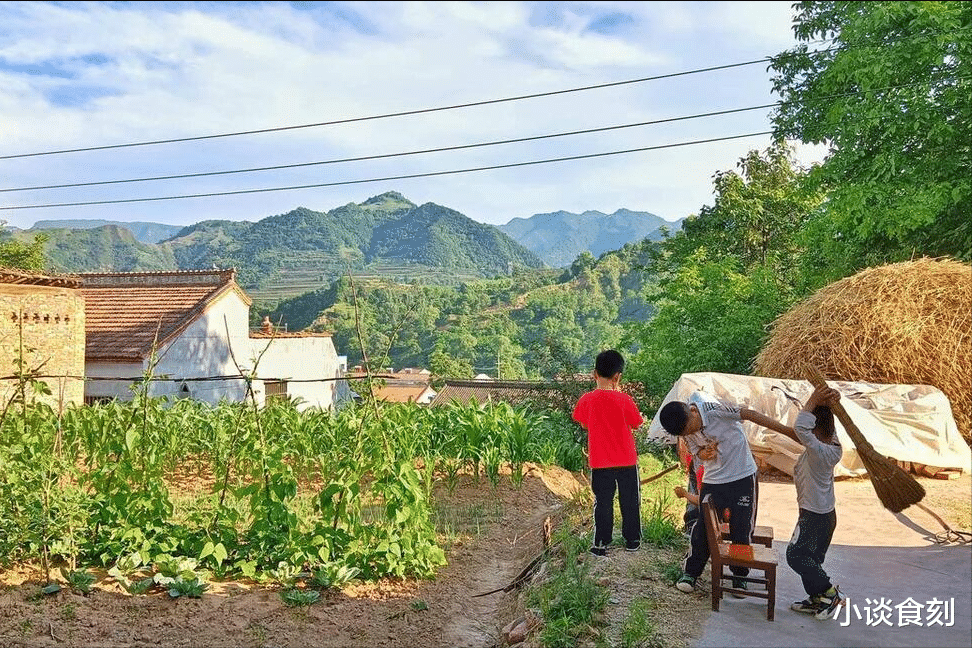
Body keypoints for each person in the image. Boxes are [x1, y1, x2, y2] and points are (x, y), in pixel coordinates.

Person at [659, 390, 793, 594]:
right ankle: (691, 573)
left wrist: (786, 431)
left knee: (742, 527)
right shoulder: (684, 429)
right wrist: (706, 453)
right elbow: (698, 453)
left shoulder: (715, 409)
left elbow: (749, 414)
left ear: (693, 412)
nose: (689, 435)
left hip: (742, 476)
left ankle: (739, 575)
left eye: (690, 429)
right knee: (703, 527)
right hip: (714, 480)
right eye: (685, 434)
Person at [778, 383, 846, 620]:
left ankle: (830, 593)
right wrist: (827, 402)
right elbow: (813, 427)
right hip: (823, 515)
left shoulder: (820, 451)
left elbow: (800, 427)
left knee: (795, 555)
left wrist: (813, 399)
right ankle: (817, 599)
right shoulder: (832, 444)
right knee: (813, 559)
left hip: (815, 516)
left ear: (815, 431)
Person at [572, 349, 644, 556]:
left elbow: (584, 425)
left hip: (600, 461)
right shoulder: (625, 400)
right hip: (626, 460)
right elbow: (636, 423)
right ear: (618, 376)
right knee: (630, 500)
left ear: (594, 373)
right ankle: (632, 540)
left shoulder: (587, 399)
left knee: (603, 502)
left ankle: (601, 542)